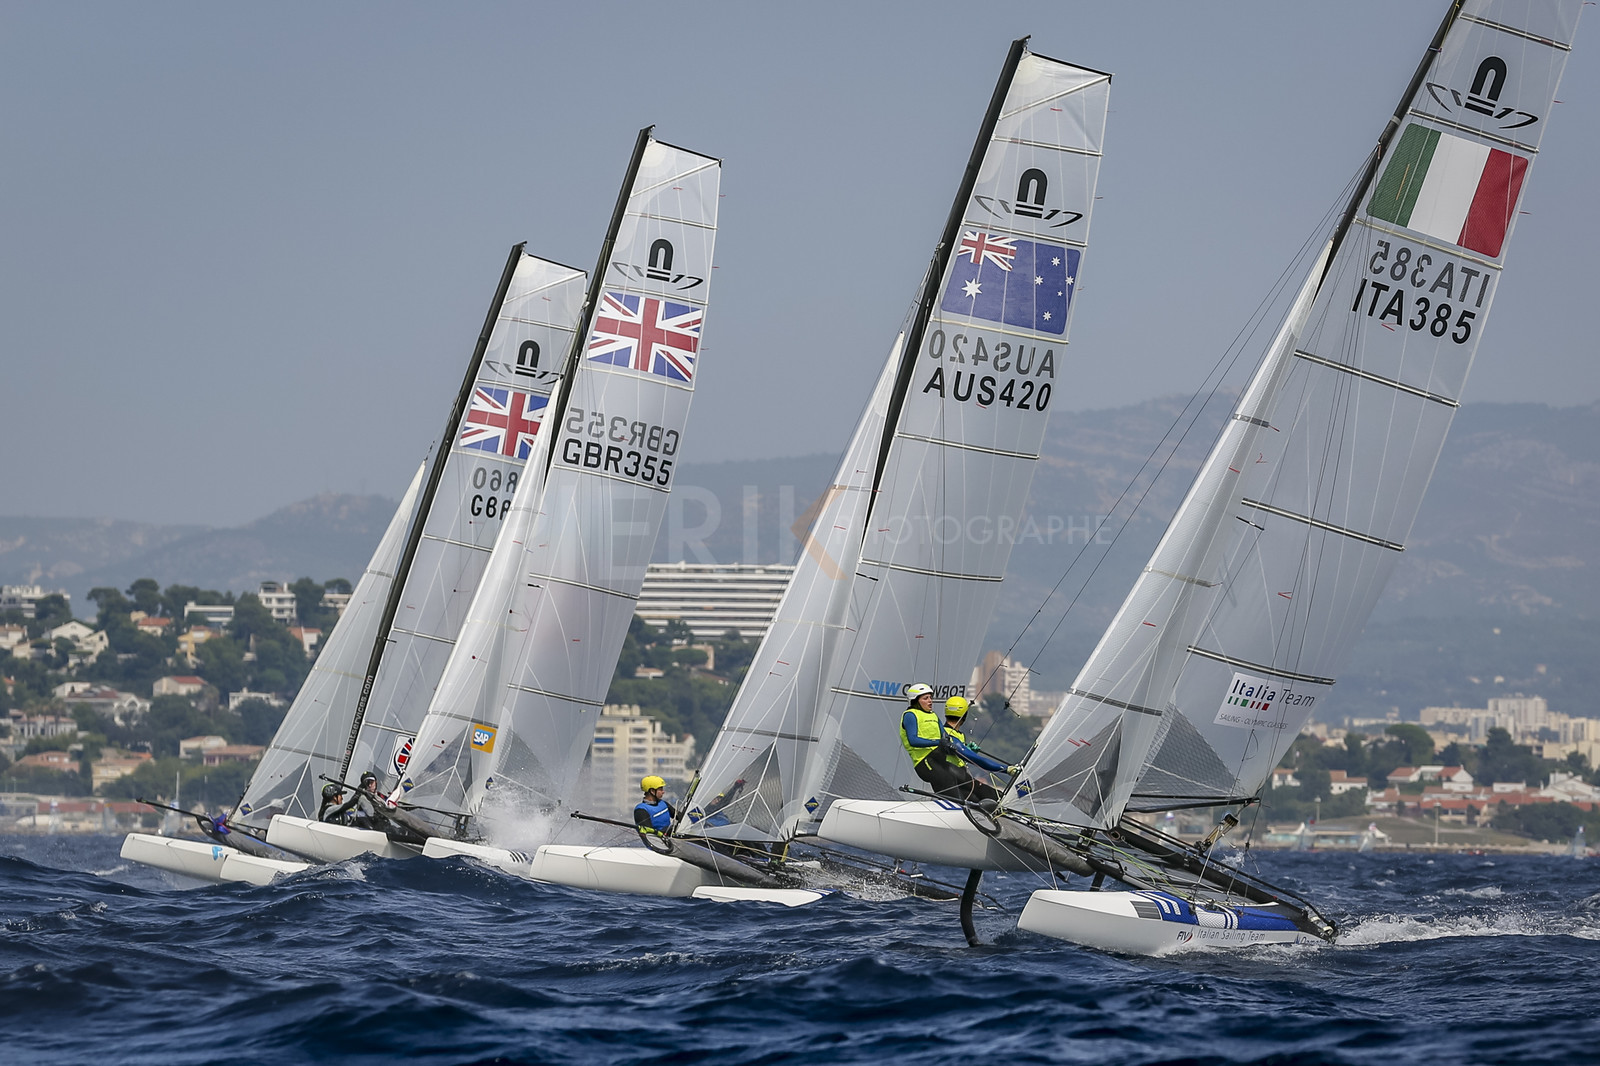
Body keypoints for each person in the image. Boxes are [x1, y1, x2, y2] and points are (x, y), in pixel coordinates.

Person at [899, 685, 1018, 805]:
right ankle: (960, 808)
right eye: (925, 698)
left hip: (938, 760)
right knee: (951, 783)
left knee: (975, 788)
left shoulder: (933, 715)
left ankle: (1004, 804)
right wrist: (1005, 769)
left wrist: (961, 746)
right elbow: (913, 740)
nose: (930, 700)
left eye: (930, 697)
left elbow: (946, 736)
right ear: (915, 700)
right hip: (925, 762)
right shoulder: (910, 714)